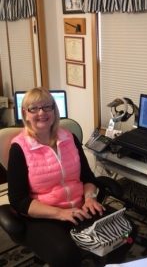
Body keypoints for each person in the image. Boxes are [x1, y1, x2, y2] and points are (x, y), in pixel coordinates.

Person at [7, 87, 105, 266]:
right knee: (66, 254)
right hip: (44, 216)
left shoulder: (69, 138)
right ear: (25, 113)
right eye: (33, 108)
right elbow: (18, 200)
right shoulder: (19, 148)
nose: (41, 113)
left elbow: (87, 177)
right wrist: (60, 213)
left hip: (79, 207)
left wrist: (90, 198)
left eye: (47, 107)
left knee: (125, 232)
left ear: (54, 110)